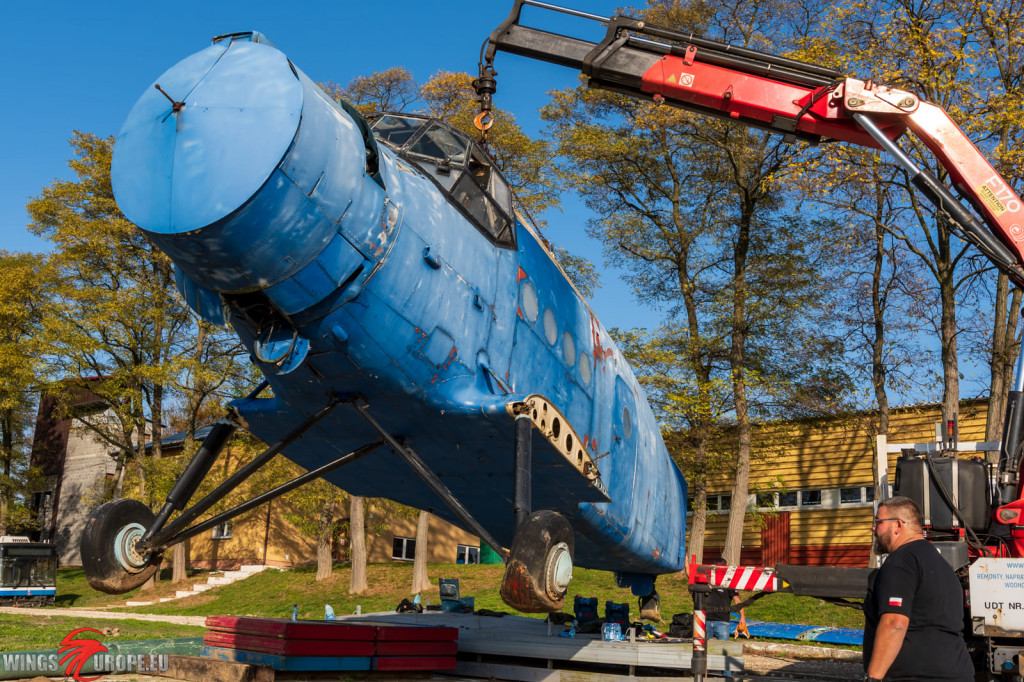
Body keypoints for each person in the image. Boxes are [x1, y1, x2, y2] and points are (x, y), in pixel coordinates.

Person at [863, 496, 974, 682]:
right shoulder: (941, 564)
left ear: (897, 525)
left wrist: (873, 678)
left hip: (917, 675)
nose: (873, 528)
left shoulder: (901, 561)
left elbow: (894, 623)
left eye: (878, 522)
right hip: (956, 671)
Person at [706, 558, 747, 640]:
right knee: (704, 648)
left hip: (722, 621)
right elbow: (690, 577)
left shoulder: (729, 583)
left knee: (723, 647)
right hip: (705, 620)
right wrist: (686, 564)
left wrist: (742, 617)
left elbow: (737, 600)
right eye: (716, 568)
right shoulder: (707, 580)